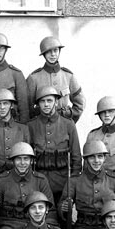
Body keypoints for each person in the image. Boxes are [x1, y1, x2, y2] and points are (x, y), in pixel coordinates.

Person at [0, 142, 54, 229]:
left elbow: (51, 209)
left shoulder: (41, 180)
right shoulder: (1, 180)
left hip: (34, 224)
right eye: (19, 159)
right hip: (9, 224)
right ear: (13, 160)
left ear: (31, 160)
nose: (23, 163)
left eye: (26, 159)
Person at [28, 85, 81, 218]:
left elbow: (76, 158)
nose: (46, 104)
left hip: (63, 184)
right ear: (38, 104)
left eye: (49, 100)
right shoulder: (31, 126)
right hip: (39, 183)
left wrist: (71, 186)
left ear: (56, 102)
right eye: (42, 101)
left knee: (63, 220)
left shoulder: (68, 125)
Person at [26, 36, 85, 122]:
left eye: (55, 50)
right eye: (49, 51)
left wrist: (69, 119)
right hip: (41, 123)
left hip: (64, 123)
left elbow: (80, 103)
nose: (53, 54)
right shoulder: (34, 78)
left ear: (59, 51)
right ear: (44, 54)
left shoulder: (68, 76)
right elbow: (27, 106)